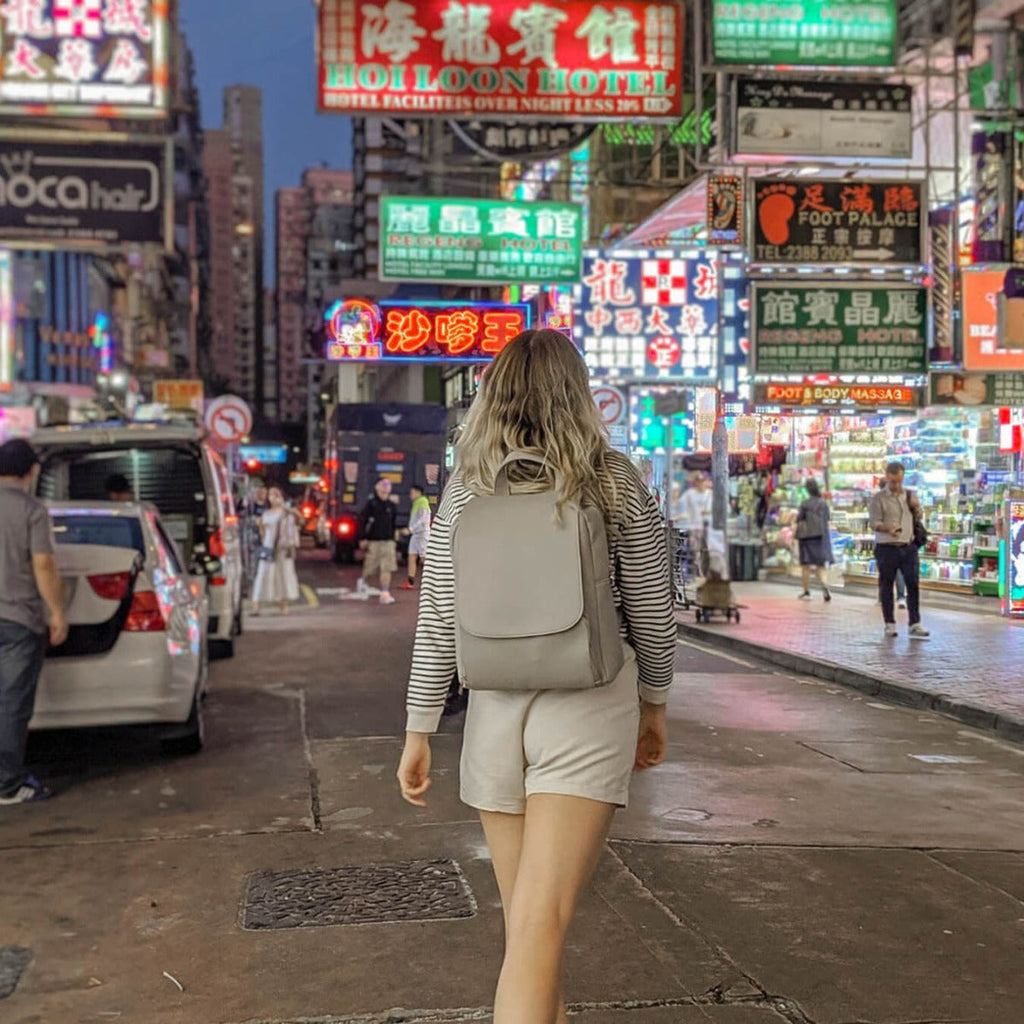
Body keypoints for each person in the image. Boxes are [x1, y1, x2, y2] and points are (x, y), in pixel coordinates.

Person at [397, 329, 677, 1024]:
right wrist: (654, 705)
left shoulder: (465, 489)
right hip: (588, 703)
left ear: (493, 395)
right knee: (540, 926)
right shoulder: (612, 478)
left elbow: (438, 619)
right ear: (577, 394)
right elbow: (651, 608)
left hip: (494, 712)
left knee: (527, 928)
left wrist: (419, 728)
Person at [0, 439, 68, 804]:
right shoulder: (31, 509)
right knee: (11, 703)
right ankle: (8, 785)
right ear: (32, 471)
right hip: (17, 619)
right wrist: (56, 611)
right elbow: (43, 563)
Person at [869, 462, 930, 639]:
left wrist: (917, 507)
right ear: (887, 477)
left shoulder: (909, 495)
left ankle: (915, 623)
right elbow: (874, 523)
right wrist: (887, 528)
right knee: (887, 585)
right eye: (893, 481)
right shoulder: (879, 498)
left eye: (899, 481)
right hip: (886, 547)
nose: (896, 485)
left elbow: (918, 517)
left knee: (913, 584)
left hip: (908, 547)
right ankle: (890, 624)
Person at [250, 485, 301, 616]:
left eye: (276, 494)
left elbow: (299, 519)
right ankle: (256, 606)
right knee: (262, 575)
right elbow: (262, 532)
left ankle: (283, 605)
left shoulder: (286, 513)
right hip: (269, 547)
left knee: (283, 575)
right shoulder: (266, 514)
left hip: (282, 549)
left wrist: (285, 507)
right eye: (271, 495)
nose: (273, 497)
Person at [358, 478, 398, 605]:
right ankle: (363, 581)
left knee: (387, 567)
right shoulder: (371, 504)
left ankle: (385, 593)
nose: (386, 487)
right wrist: (362, 537)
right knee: (370, 567)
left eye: (388, 484)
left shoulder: (392, 506)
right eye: (383, 484)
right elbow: (362, 521)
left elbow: (393, 524)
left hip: (388, 541)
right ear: (377, 487)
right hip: (373, 541)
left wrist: (394, 539)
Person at [796, 479, 833, 602]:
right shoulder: (823, 503)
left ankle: (807, 592)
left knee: (806, 565)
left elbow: (799, 518)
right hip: (820, 537)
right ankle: (825, 586)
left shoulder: (804, 504)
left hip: (807, 538)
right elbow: (827, 518)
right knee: (820, 565)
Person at [400, 483, 431, 590]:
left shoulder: (423, 501)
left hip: (422, 534)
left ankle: (432, 582)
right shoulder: (416, 502)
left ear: (418, 493)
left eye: (412, 493)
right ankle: (410, 582)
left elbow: (423, 519)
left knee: (424, 559)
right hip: (415, 535)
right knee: (411, 556)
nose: (410, 495)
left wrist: (410, 529)